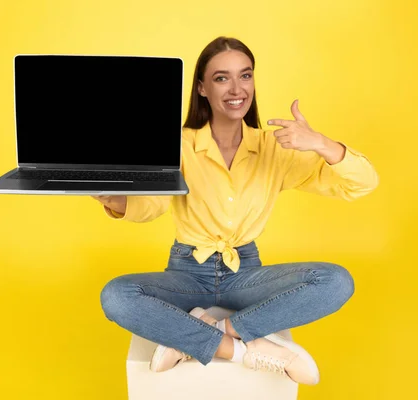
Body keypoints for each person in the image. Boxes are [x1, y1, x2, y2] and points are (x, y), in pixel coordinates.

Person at [93, 36, 378, 385]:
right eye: (221, 78)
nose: (236, 88)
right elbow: (150, 205)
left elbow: (361, 183)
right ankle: (244, 349)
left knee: (336, 281)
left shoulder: (275, 148)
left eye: (245, 75)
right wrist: (112, 198)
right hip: (187, 273)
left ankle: (208, 332)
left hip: (246, 274)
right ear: (201, 87)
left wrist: (320, 143)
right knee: (117, 296)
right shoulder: (177, 145)